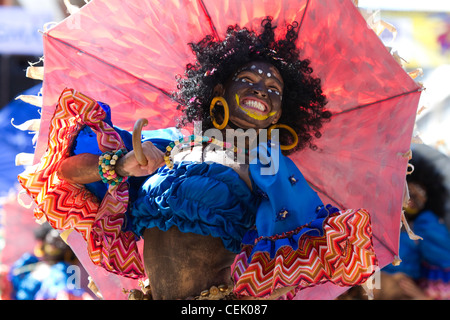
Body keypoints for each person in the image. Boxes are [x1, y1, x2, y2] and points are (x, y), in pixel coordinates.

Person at [18, 17, 377, 300]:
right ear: (219, 89)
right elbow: (65, 174)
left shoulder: (269, 161)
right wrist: (124, 164)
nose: (261, 91)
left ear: (278, 114)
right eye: (249, 80)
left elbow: (309, 256)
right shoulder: (171, 145)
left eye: (274, 91)